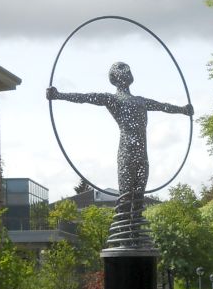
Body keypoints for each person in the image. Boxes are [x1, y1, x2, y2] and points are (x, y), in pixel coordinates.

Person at [47, 62, 193, 215]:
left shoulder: (141, 101)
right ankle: (125, 237)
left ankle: (135, 237)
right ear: (114, 78)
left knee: (138, 202)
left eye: (127, 69)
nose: (127, 71)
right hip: (127, 154)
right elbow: (86, 97)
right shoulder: (113, 99)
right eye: (122, 70)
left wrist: (183, 110)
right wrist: (58, 95)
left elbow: (164, 107)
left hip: (142, 156)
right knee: (125, 200)